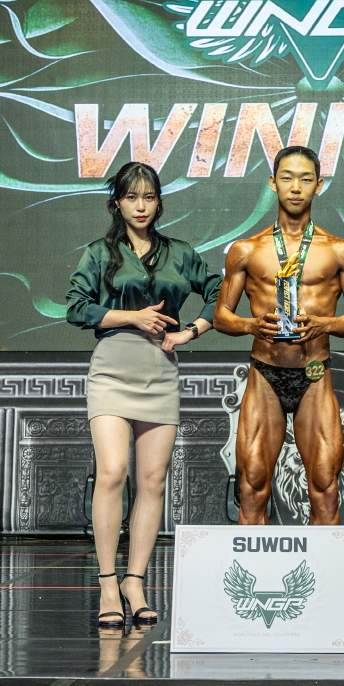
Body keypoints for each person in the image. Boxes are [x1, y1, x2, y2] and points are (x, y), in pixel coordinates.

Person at [66, 161, 221, 627]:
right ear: (116, 202)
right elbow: (75, 308)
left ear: (158, 203)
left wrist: (191, 330)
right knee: (113, 472)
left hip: (160, 371)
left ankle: (135, 582)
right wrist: (132, 317)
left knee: (152, 481)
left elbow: (222, 291)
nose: (141, 206)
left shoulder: (180, 252)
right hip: (113, 370)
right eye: (131, 197)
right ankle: (107, 584)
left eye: (149, 197)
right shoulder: (99, 253)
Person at [214, 145, 344, 525]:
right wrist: (250, 325)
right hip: (265, 374)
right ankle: (254, 564)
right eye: (287, 178)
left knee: (325, 485)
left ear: (319, 185)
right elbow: (221, 317)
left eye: (305, 179)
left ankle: (321, 566)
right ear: (273, 183)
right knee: (252, 483)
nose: (295, 187)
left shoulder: (341, 250)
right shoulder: (245, 250)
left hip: (315, 374)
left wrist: (324, 325)